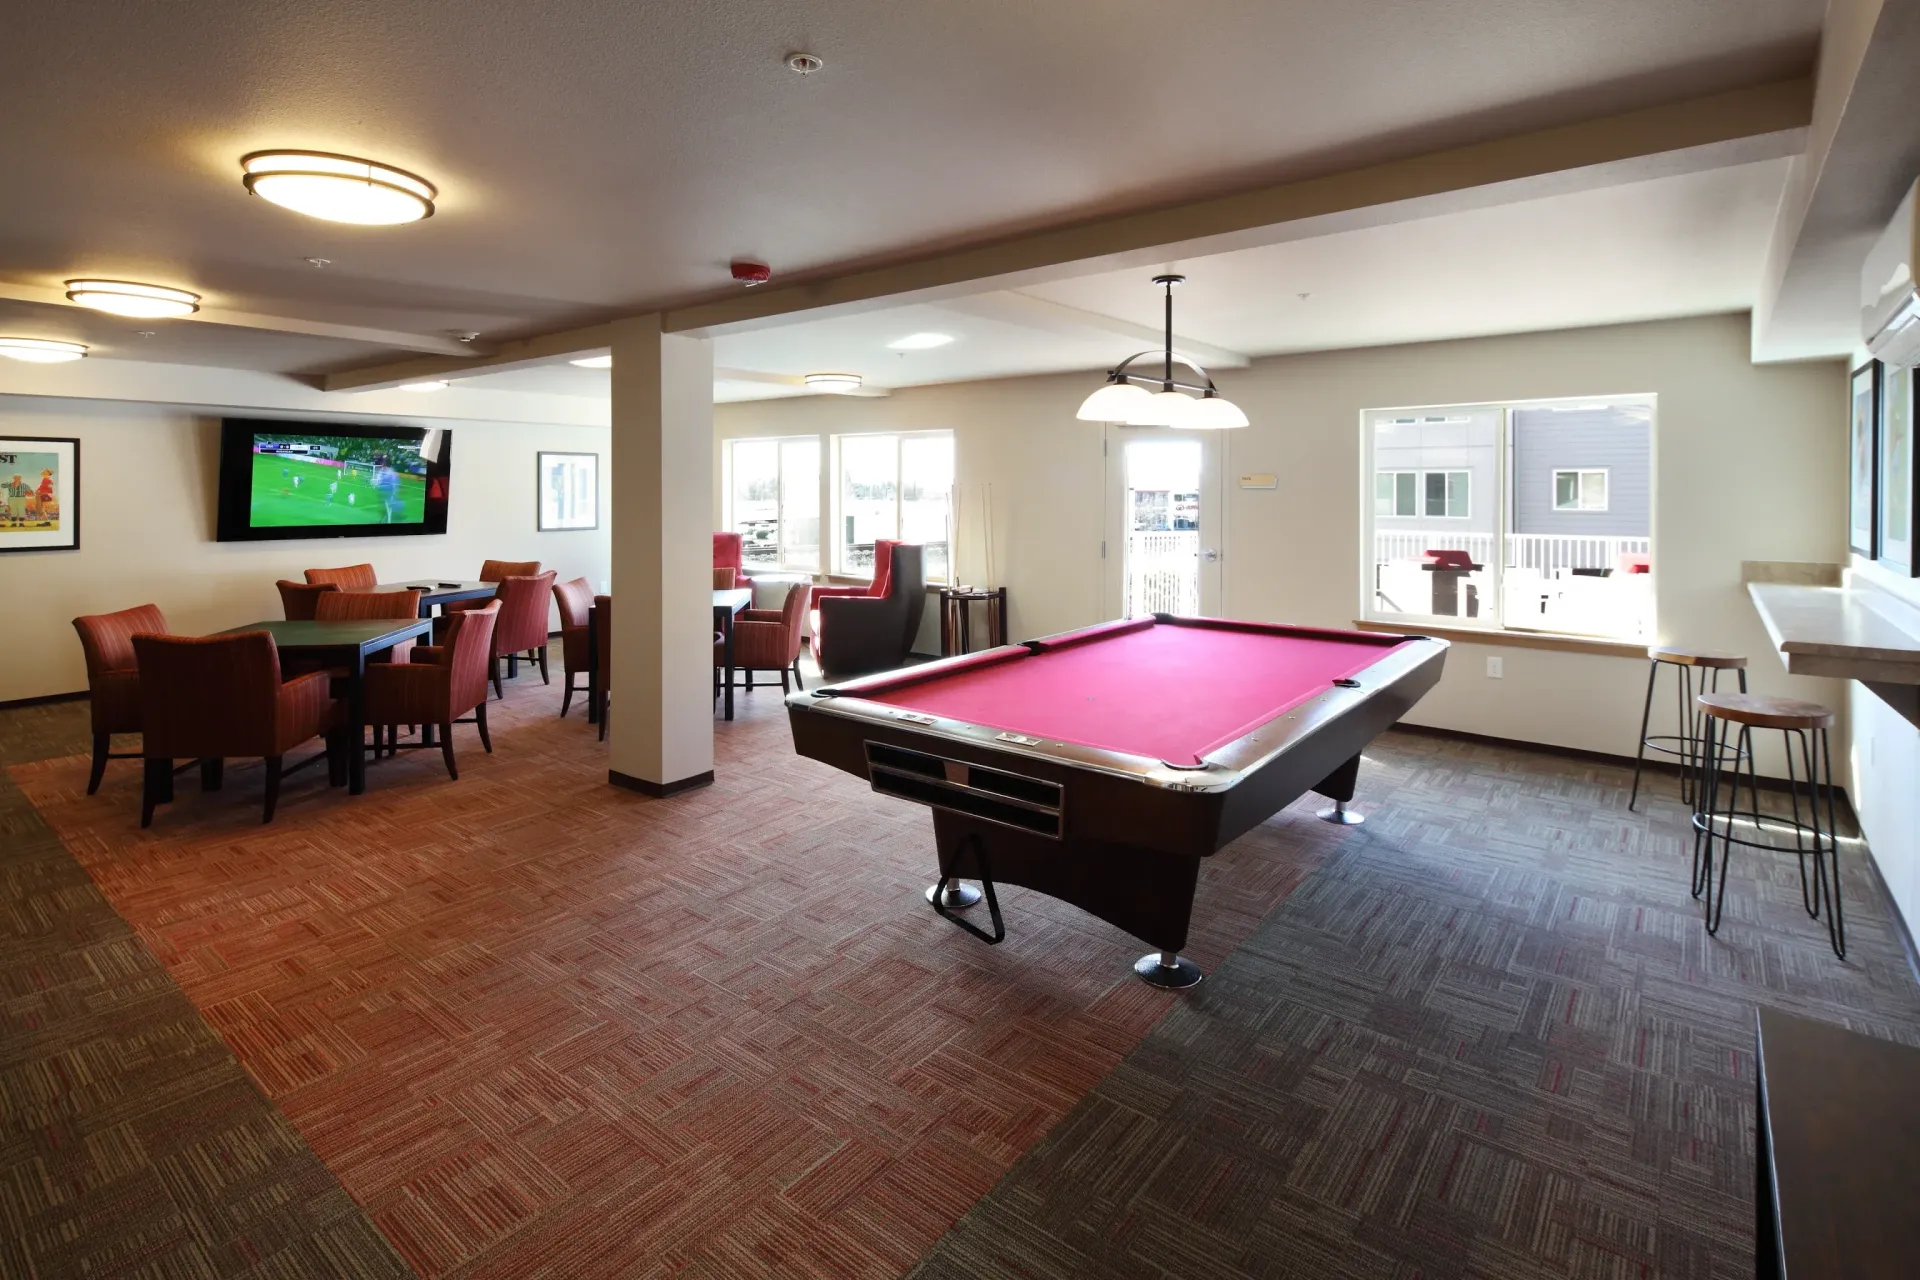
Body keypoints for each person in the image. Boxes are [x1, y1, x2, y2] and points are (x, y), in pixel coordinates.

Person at [370, 454, 402, 523]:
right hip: (383, 492)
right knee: (385, 506)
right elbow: (379, 480)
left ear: (385, 463)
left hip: (388, 492)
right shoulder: (384, 471)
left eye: (383, 462)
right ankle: (385, 519)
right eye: (383, 462)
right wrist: (375, 483)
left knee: (387, 506)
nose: (382, 464)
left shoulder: (390, 472)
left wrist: (394, 491)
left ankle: (388, 521)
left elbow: (394, 482)